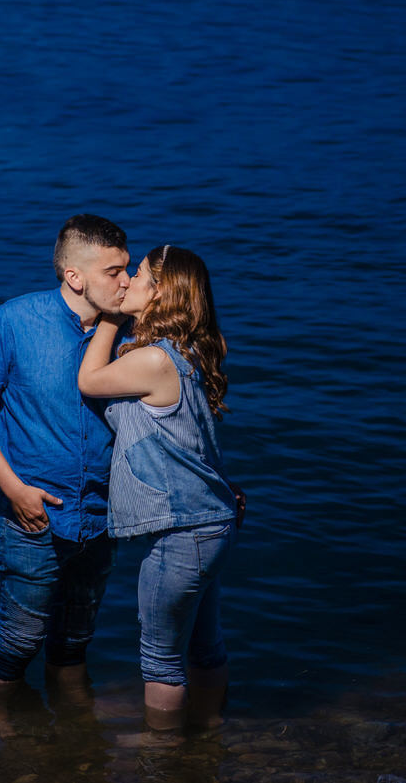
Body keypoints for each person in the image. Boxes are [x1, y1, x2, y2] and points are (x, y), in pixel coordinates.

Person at [0, 214, 131, 733]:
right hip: (32, 517)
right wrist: (14, 490)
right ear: (75, 276)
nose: (127, 281)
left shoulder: (129, 331)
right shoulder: (13, 321)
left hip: (101, 519)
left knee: (75, 643)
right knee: (17, 643)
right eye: (114, 271)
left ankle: (76, 731)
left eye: (128, 268)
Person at [77, 244, 244, 732]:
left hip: (182, 534)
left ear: (160, 293)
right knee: (206, 646)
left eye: (140, 275)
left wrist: (108, 318)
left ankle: (165, 756)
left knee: (160, 661)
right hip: (212, 523)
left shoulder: (152, 361)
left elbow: (88, 380)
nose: (127, 281)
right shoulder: (190, 354)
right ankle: (210, 732)